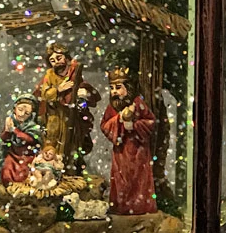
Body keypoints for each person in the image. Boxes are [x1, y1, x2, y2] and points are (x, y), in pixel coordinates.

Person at [34, 41, 100, 172]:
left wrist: (84, 94)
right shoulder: (49, 75)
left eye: (59, 58)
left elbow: (88, 93)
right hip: (55, 118)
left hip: (72, 117)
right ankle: (53, 170)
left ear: (66, 57)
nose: (56, 62)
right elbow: (44, 94)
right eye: (52, 60)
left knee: (73, 144)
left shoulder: (74, 73)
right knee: (53, 144)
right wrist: (58, 89)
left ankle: (71, 170)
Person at [100, 68, 157, 216]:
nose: (114, 91)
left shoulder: (138, 103)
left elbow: (150, 122)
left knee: (138, 178)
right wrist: (119, 119)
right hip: (121, 149)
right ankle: (121, 206)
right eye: (112, 88)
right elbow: (104, 125)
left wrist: (134, 125)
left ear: (128, 88)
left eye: (118, 87)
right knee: (121, 178)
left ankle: (139, 207)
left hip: (138, 149)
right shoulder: (113, 106)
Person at [0, 94, 42, 186]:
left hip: (27, 156)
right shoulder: (11, 121)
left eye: (27, 113)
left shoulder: (33, 126)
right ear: (15, 109)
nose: (21, 114)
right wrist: (7, 131)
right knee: (7, 171)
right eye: (20, 110)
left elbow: (30, 139)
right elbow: (4, 139)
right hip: (12, 154)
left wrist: (14, 130)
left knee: (22, 175)